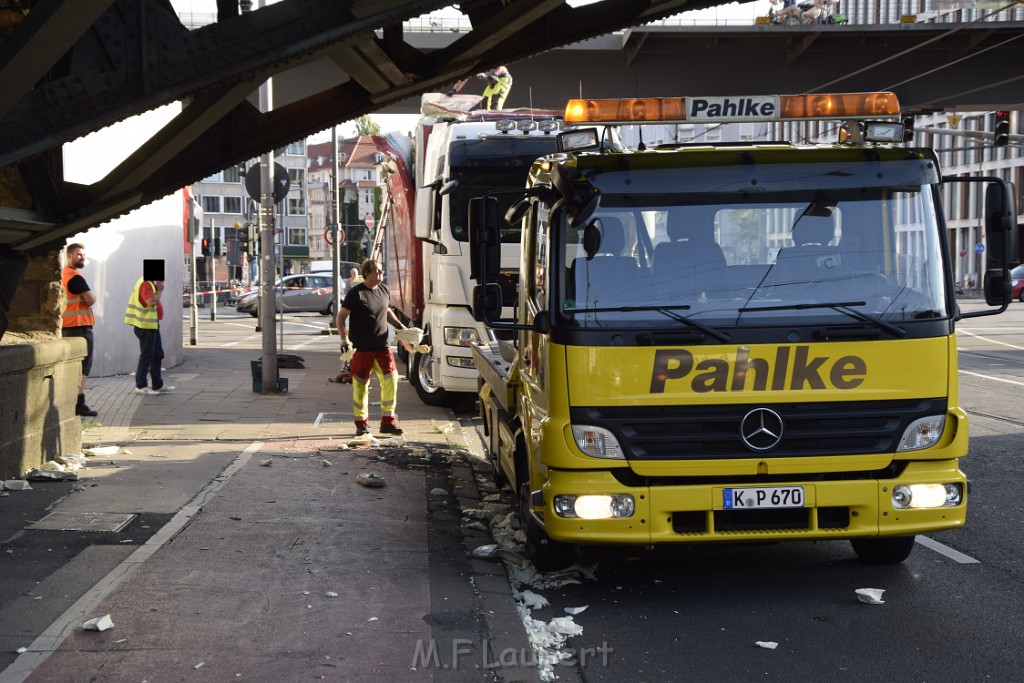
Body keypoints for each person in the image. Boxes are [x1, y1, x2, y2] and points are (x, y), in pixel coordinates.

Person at [335, 259, 406, 437]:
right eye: (377, 272)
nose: (381, 274)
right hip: (362, 349)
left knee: (391, 380)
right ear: (367, 273)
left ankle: (388, 422)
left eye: (381, 271)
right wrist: (344, 340)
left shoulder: (384, 290)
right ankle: (361, 425)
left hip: (382, 346)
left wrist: (400, 327)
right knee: (360, 386)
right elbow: (341, 317)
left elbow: (386, 311)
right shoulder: (356, 293)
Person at [62, 243, 98, 417]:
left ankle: (69, 399)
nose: (82, 257)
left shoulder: (62, 274)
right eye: (78, 255)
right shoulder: (76, 277)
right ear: (69, 255)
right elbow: (91, 300)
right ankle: (79, 402)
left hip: (66, 326)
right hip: (80, 327)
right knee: (84, 366)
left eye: (83, 255)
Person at [124, 275, 175, 396]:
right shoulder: (146, 283)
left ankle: (158, 384)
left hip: (151, 325)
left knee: (158, 354)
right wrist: (159, 290)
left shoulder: (149, 282)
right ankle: (141, 386)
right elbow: (150, 303)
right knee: (147, 355)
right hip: (145, 325)